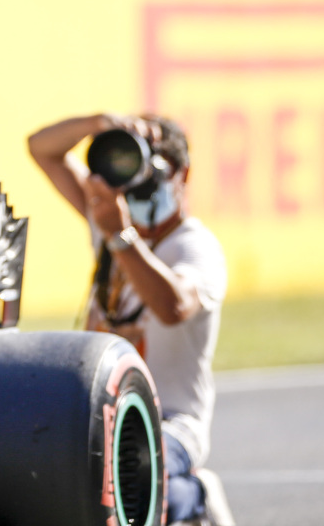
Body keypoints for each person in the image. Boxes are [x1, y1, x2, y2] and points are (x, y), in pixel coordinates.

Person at [27, 113, 235, 526]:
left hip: (170, 422)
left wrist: (121, 237)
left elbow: (172, 308)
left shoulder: (195, 247)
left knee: (128, 482)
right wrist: (99, 124)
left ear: (181, 173)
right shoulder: (107, 218)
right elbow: (42, 148)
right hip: (98, 408)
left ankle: (197, 493)